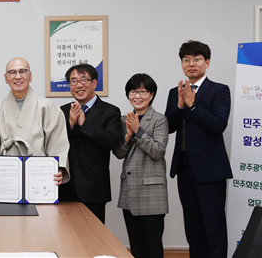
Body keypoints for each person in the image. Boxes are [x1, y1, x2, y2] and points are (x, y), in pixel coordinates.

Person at [164, 40, 232, 258]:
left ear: (207, 62)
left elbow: (218, 125)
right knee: (192, 229)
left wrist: (194, 105)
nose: (190, 64)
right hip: (184, 168)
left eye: (196, 59)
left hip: (210, 170)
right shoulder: (175, 92)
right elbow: (169, 126)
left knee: (214, 228)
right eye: (186, 60)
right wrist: (181, 106)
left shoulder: (219, 90)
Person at [0, 57, 69, 185]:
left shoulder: (48, 107)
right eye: (12, 72)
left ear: (30, 76)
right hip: (6, 175)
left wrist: (59, 167)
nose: (18, 76)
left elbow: (58, 142)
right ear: (6, 78)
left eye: (22, 71)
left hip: (39, 175)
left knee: (40, 205)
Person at [112, 74, 168, 258]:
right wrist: (127, 138)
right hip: (130, 190)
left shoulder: (160, 120)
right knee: (135, 245)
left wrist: (138, 131)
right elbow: (119, 153)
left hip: (152, 191)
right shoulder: (123, 120)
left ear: (151, 95)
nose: (137, 96)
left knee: (152, 245)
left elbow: (158, 151)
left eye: (142, 91)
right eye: (133, 92)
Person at [59, 63, 122, 224]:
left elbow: (112, 141)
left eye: (83, 79)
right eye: (73, 81)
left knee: (94, 239)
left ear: (94, 83)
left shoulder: (110, 111)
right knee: (67, 237)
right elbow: (55, 142)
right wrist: (71, 125)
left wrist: (84, 124)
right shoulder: (63, 111)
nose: (78, 85)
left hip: (94, 189)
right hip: (65, 185)